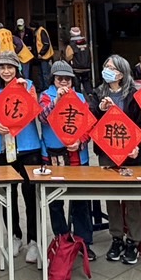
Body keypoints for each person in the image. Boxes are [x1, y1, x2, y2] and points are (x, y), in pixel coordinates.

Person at [93, 54, 141, 264]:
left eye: (112, 68)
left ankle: (134, 240)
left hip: (131, 152)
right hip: (107, 152)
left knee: (132, 196)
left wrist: (137, 145)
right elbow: (90, 119)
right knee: (112, 196)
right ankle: (116, 237)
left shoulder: (135, 95)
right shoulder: (98, 93)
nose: (107, 71)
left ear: (122, 73)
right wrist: (100, 110)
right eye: (106, 66)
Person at [0, 50, 42, 264]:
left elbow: (36, 110)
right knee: (8, 195)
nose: (6, 71)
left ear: (17, 68)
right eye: (2, 67)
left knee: (31, 195)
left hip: (28, 147)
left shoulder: (28, 85)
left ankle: (34, 240)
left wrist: (24, 90)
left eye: (10, 67)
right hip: (3, 148)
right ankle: (14, 235)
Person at [39, 60, 93, 252]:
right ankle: (62, 240)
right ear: (53, 80)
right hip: (53, 156)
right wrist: (57, 101)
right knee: (55, 202)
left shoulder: (80, 97)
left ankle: (84, 243)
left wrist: (80, 141)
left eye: (68, 79)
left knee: (81, 201)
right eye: (59, 78)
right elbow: (42, 118)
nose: (64, 82)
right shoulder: (46, 96)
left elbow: (89, 125)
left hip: (78, 155)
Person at [65, 27, 93, 95]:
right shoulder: (86, 43)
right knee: (86, 82)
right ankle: (90, 95)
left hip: (76, 68)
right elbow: (90, 55)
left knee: (76, 84)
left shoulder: (71, 45)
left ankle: (79, 97)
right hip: (86, 67)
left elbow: (68, 57)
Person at [31, 23, 56, 93]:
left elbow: (46, 44)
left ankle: (47, 89)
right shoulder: (37, 32)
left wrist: (41, 53)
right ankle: (42, 88)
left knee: (45, 73)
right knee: (40, 73)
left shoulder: (41, 31)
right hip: (39, 57)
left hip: (45, 57)